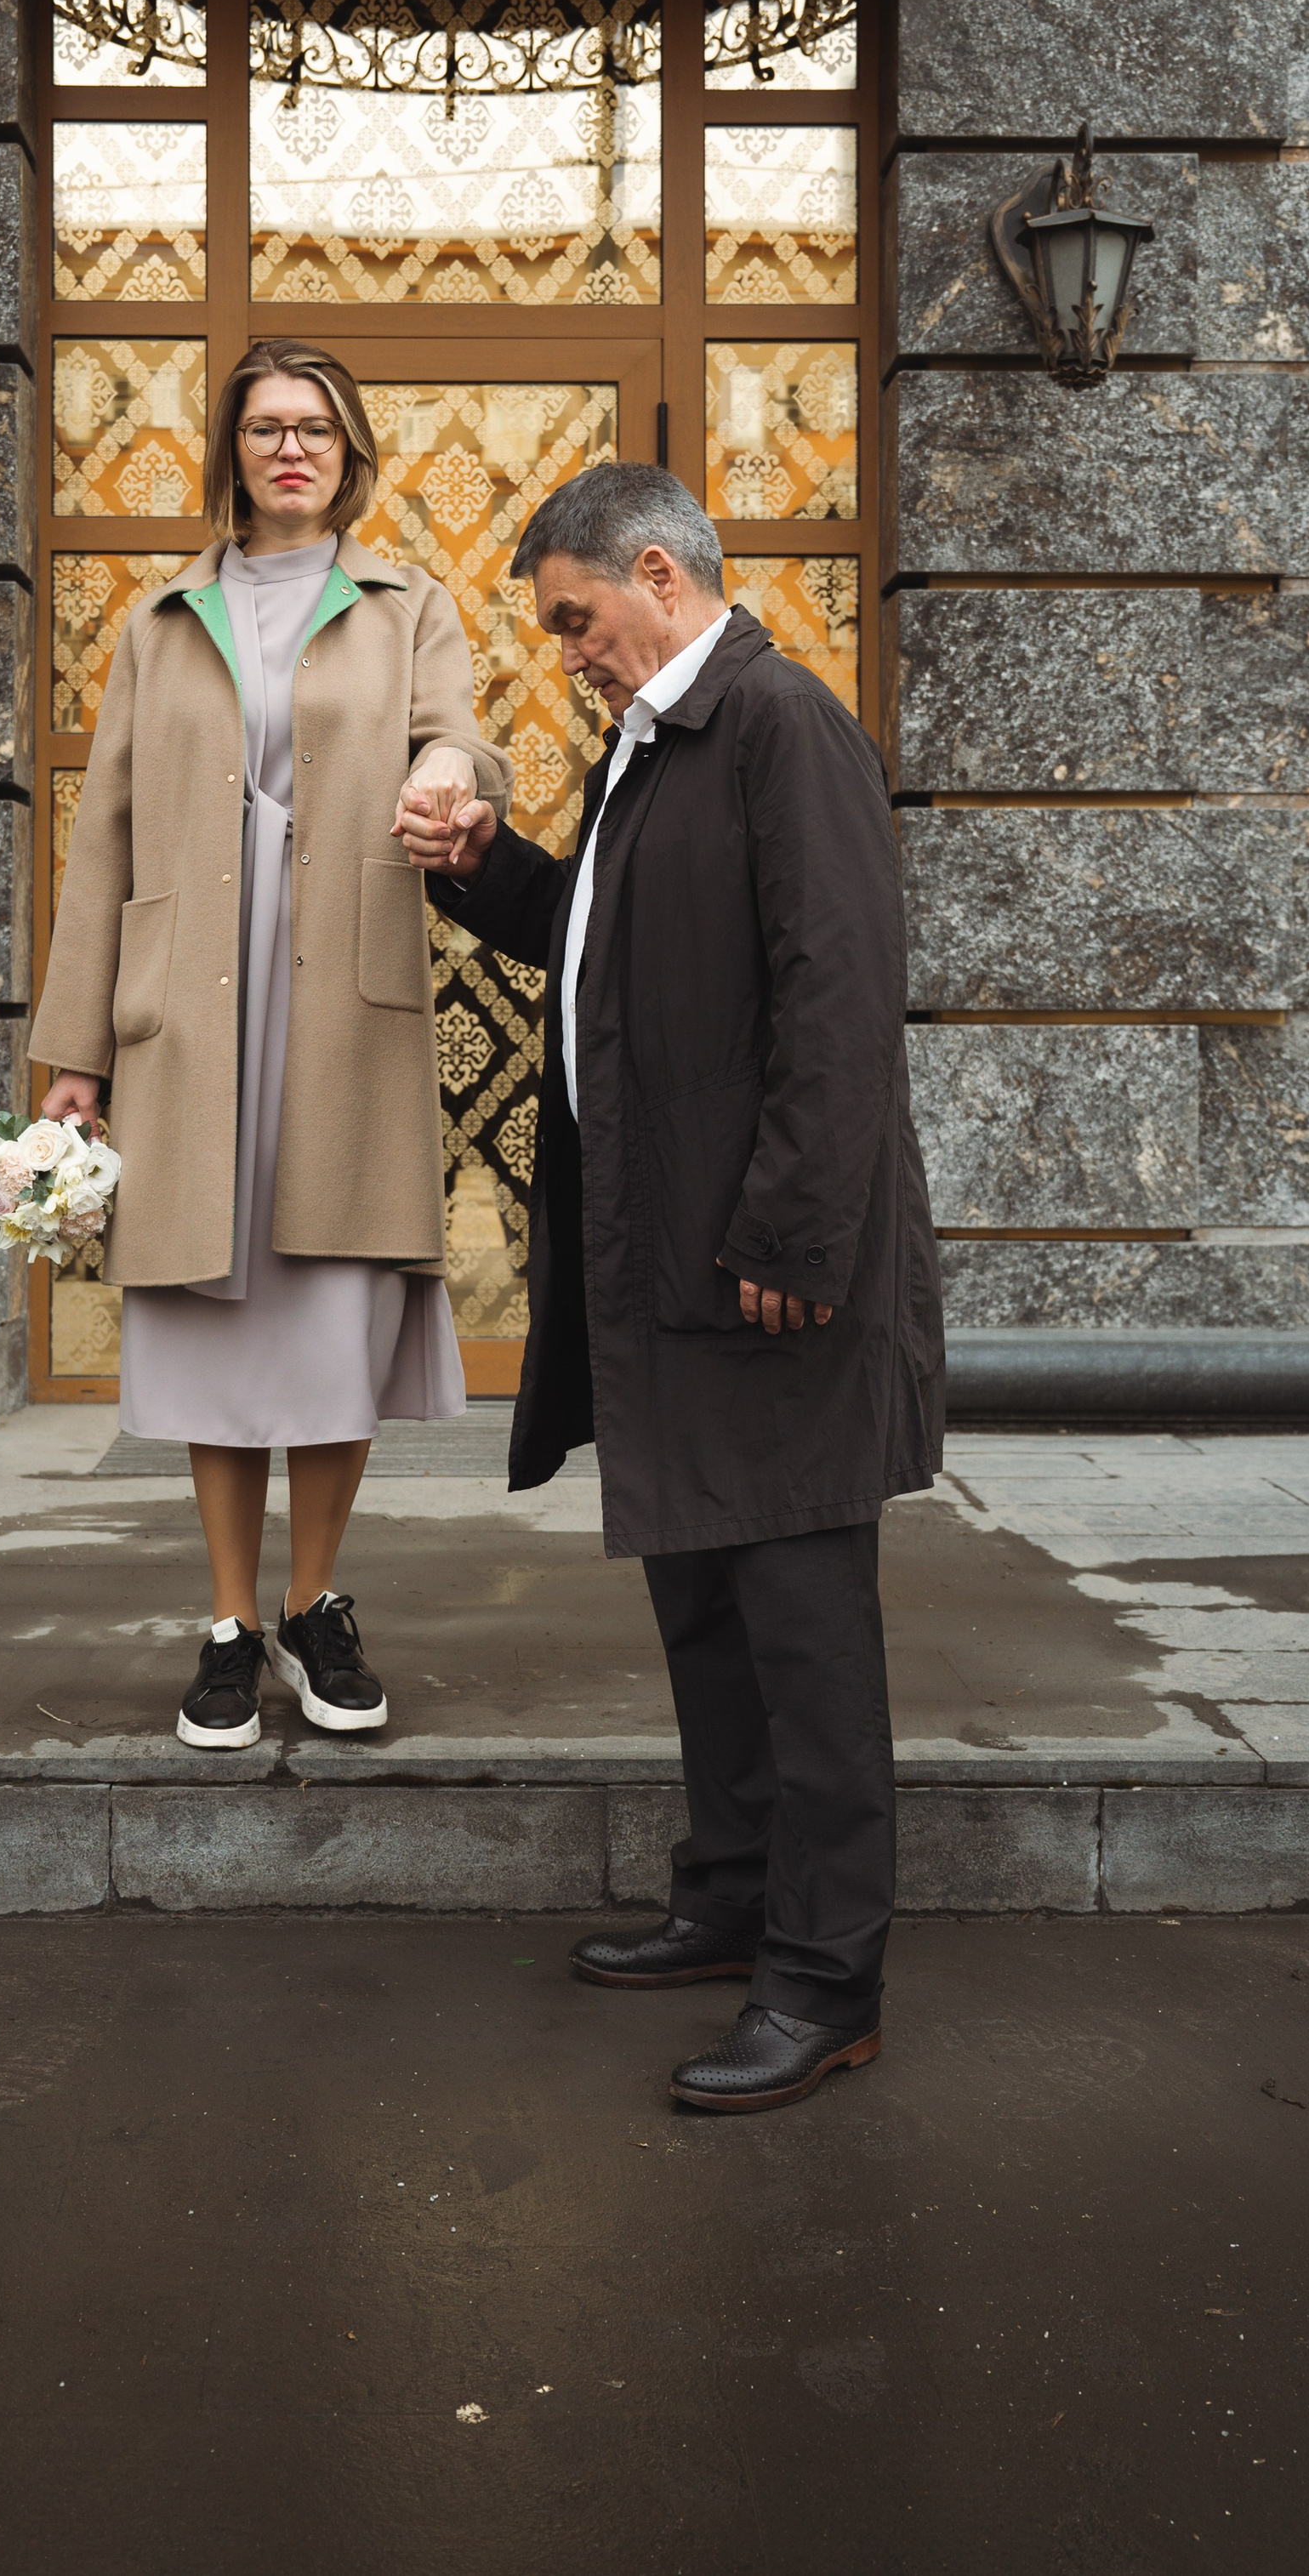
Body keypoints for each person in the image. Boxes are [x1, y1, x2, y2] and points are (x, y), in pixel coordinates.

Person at [396, 463, 943, 2115]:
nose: (563, 650)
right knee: (704, 1613)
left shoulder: (781, 728)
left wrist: (787, 1237)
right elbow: (601, 939)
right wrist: (490, 867)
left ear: (653, 571)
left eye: (572, 617)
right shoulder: (656, 746)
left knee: (804, 1645)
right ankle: (728, 1893)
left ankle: (823, 1979)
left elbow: (838, 999)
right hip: (675, 1279)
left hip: (770, 1284)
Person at [31, 340, 510, 1752]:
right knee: (214, 1314)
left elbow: (467, 748)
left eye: (313, 429)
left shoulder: (409, 604)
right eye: (264, 430)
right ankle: (232, 1622)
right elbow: (102, 841)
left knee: (326, 1311)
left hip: (338, 1002)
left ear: (349, 450)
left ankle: (318, 1605)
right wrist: (77, 1053)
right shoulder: (160, 620)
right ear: (232, 453)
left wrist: (447, 774)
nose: (289, 449)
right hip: (188, 1008)